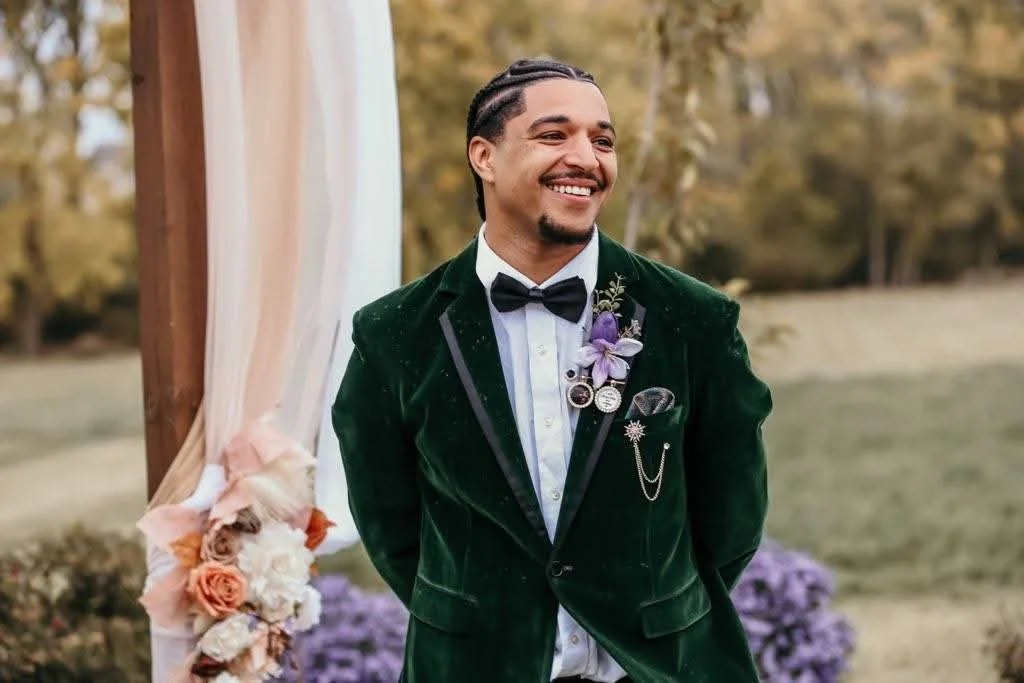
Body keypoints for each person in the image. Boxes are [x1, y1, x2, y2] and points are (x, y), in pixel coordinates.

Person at [333, 58, 772, 683]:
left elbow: (733, 516)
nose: (586, 158)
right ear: (484, 156)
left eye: (603, 140)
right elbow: (389, 523)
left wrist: (655, 609)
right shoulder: (394, 335)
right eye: (553, 134)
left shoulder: (691, 320)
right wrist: (480, 625)